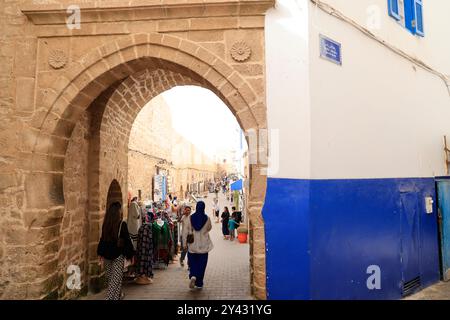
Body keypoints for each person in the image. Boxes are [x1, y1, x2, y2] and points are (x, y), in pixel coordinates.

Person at [97, 202, 135, 300]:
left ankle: (117, 296)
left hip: (107, 256)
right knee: (115, 280)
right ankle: (109, 298)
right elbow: (127, 240)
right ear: (118, 212)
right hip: (118, 255)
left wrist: (100, 253)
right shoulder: (122, 224)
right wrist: (131, 255)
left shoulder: (106, 224)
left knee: (112, 279)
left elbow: (102, 239)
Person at [182, 201, 213, 289]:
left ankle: (193, 276)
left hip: (192, 245)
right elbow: (209, 228)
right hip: (203, 245)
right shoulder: (207, 218)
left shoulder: (190, 218)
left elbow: (185, 231)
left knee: (193, 262)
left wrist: (184, 244)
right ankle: (199, 282)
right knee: (202, 264)